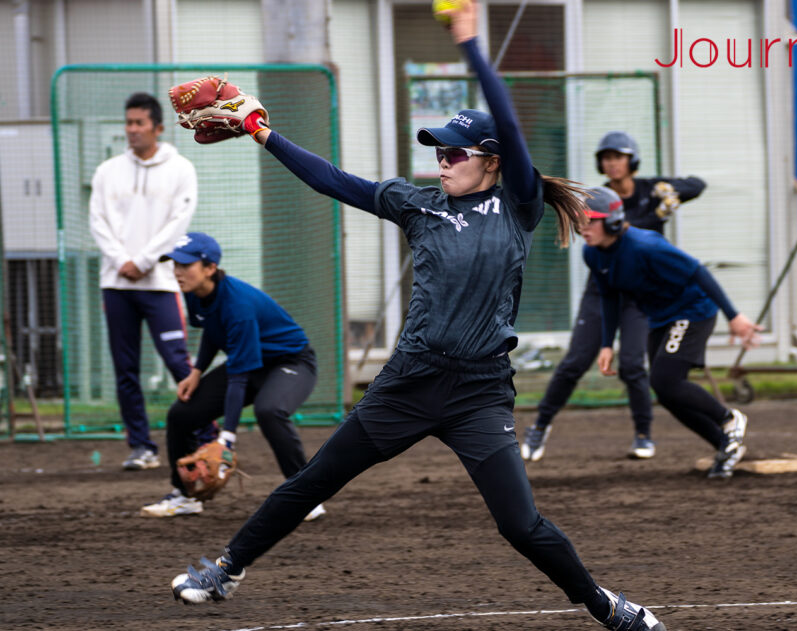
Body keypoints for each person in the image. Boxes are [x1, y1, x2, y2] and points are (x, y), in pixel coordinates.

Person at [168, 3, 665, 629]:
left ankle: (607, 607)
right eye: (438, 149)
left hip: (479, 393)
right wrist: (262, 131)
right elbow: (333, 181)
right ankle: (224, 572)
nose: (442, 159)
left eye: (455, 153)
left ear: (488, 159)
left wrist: (472, 45)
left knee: (520, 524)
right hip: (409, 382)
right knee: (313, 481)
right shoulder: (416, 204)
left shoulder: (518, 206)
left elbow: (509, 123)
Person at [522, 131, 705, 462]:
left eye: (618, 157)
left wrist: (673, 195)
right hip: (602, 290)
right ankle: (539, 427)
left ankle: (643, 434)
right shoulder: (601, 199)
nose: (612, 163)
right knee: (575, 362)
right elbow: (620, 232)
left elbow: (697, 184)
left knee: (634, 365)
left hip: (637, 295)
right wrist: (656, 216)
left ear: (631, 160)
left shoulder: (652, 190)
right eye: (606, 158)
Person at [140, 232, 325, 522]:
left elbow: (238, 378)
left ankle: (306, 497)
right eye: (174, 264)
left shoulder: (238, 304)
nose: (177, 271)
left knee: (269, 410)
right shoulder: (193, 292)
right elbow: (212, 332)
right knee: (180, 414)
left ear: (210, 268)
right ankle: (184, 496)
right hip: (251, 362)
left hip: (291, 362)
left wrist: (226, 438)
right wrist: (196, 372)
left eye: (185, 265)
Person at [580, 186, 762, 479]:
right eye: (580, 219)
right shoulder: (593, 254)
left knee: (666, 379)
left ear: (613, 220)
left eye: (591, 220)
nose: (582, 227)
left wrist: (734, 316)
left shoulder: (644, 246)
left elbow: (698, 272)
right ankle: (726, 445)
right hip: (662, 318)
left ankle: (730, 420)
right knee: (666, 392)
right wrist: (606, 344)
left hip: (692, 311)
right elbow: (609, 297)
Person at [88, 92, 215, 471]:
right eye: (128, 123)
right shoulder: (107, 171)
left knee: (179, 362)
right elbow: (97, 221)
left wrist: (143, 261)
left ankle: (210, 439)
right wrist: (121, 262)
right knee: (125, 369)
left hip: (160, 283)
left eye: (139, 123)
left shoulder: (181, 169)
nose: (132, 130)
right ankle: (141, 447)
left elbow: (178, 223)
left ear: (158, 127)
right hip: (117, 285)